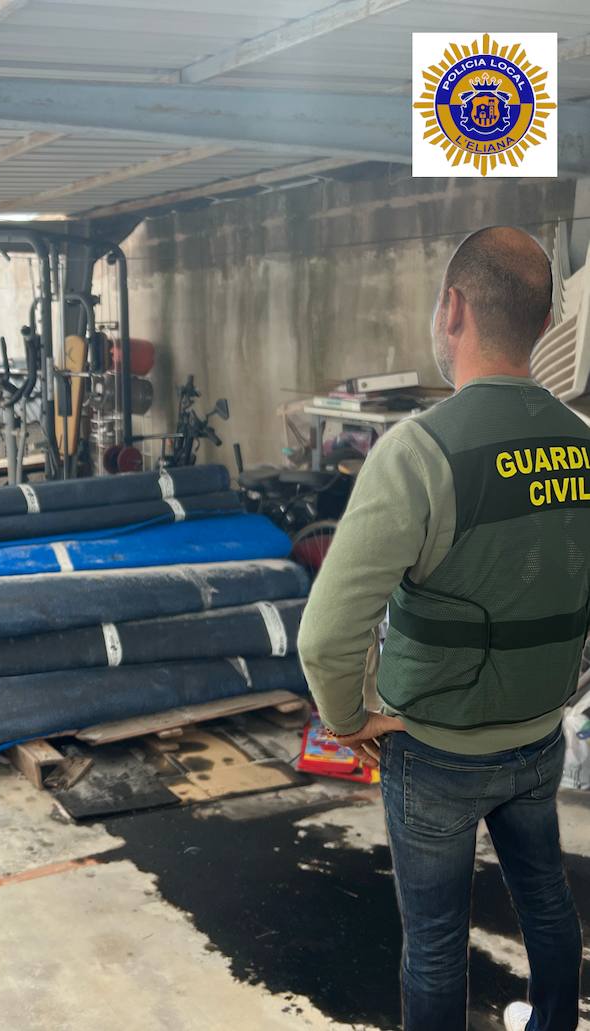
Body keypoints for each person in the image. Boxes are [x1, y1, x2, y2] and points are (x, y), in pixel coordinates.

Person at [299, 226, 584, 1031]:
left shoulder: (418, 452)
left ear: (452, 309)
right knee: (548, 902)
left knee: (434, 943)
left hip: (434, 751)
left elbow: (326, 635)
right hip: (537, 740)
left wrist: (350, 719)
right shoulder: (585, 445)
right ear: (542, 322)